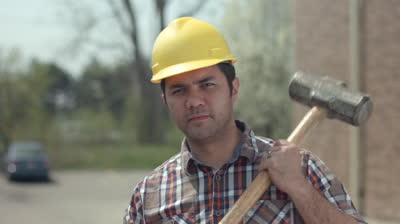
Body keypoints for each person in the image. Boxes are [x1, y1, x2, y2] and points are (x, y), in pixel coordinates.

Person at [124, 17, 366, 224]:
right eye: (179, 91)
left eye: (207, 85)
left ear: (233, 88)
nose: (194, 101)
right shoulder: (149, 196)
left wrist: (300, 188)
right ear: (165, 100)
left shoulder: (300, 168)